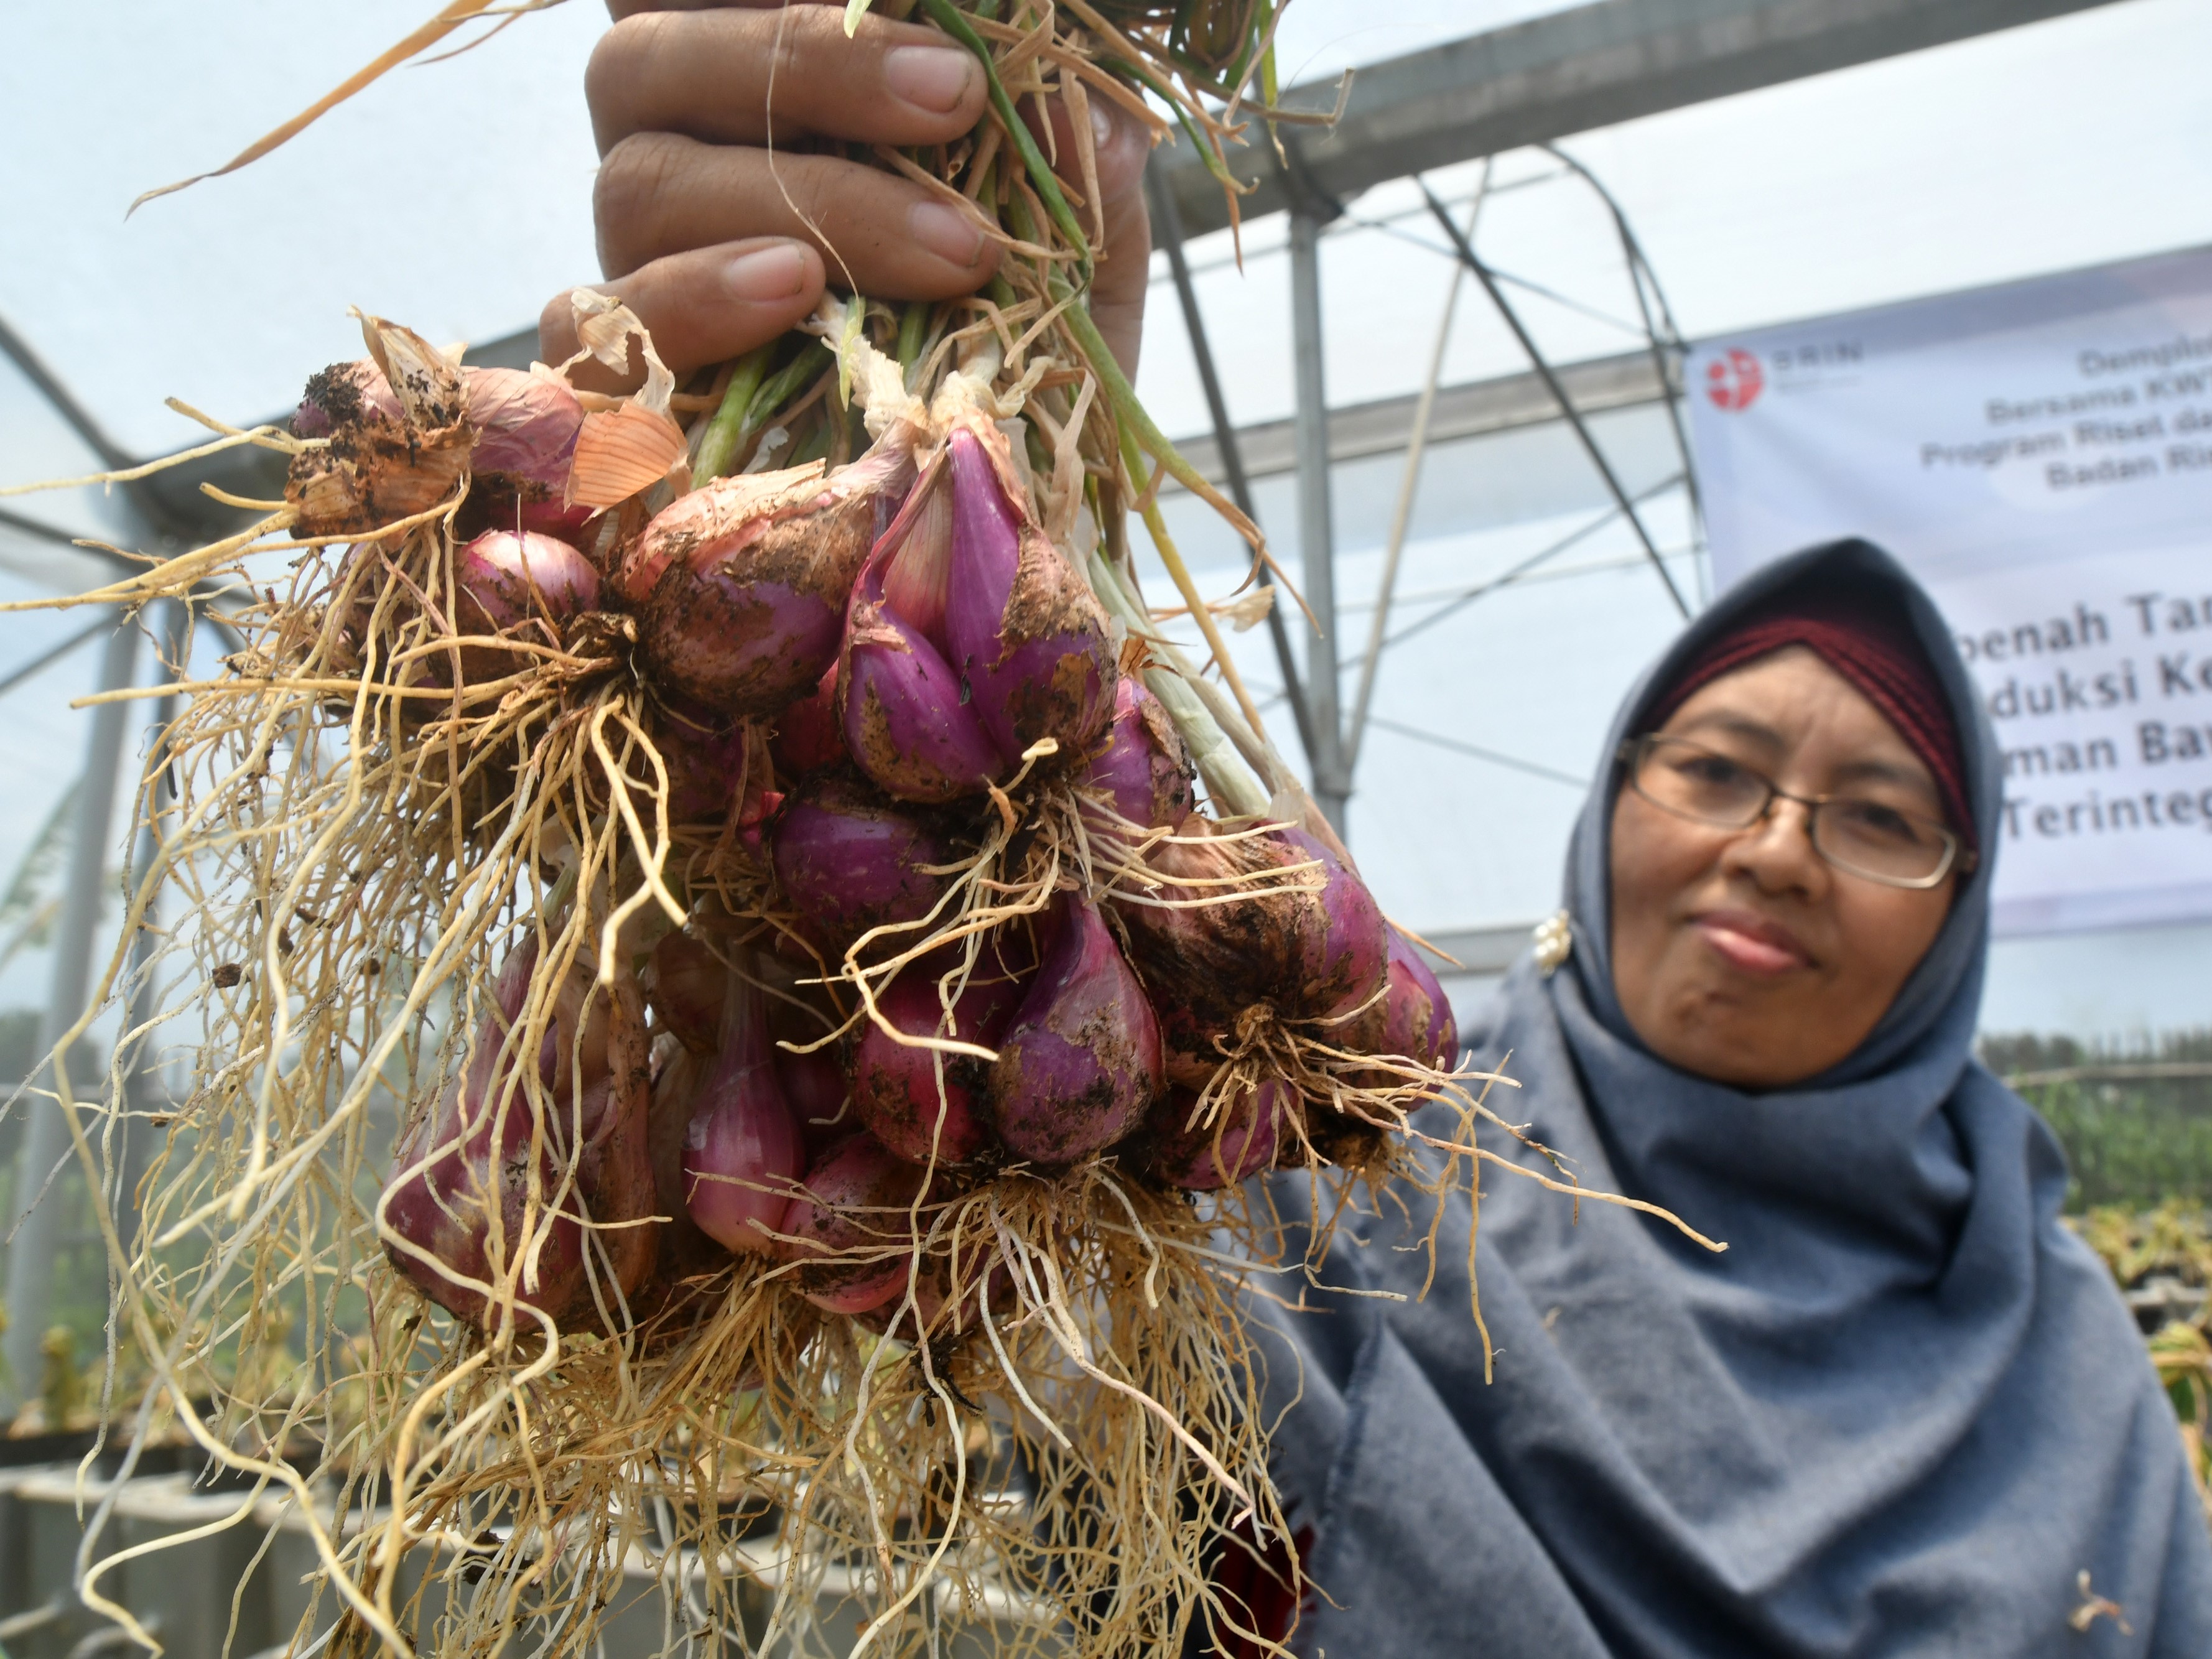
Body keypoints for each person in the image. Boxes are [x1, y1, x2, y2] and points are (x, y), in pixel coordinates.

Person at [553, 8, 2212, 1650]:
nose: (1773, 846)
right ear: (1608, 799)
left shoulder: (2077, 1393)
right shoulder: (1332, 1139)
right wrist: (852, 610)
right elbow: (943, 1193)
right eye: (1714, 769)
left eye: (1875, 815)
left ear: (1960, 924)